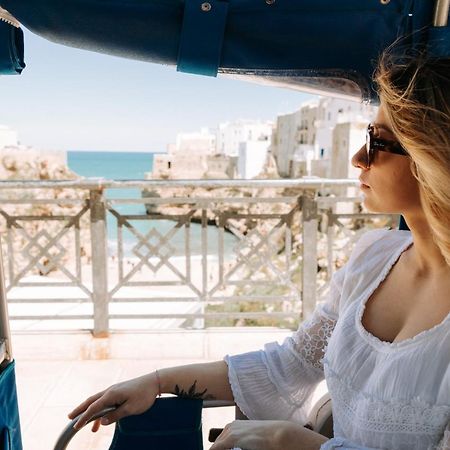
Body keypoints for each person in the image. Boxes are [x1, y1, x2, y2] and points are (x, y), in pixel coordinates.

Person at [68, 49, 450, 450]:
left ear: (434, 156)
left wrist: (291, 441)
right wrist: (157, 381)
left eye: (377, 141)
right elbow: (291, 364)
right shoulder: (374, 259)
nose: (358, 158)